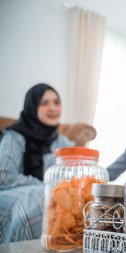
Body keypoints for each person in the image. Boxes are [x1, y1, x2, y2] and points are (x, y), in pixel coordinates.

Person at [0, 83, 74, 243]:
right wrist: (46, 187)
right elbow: (4, 176)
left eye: (56, 102)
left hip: (46, 194)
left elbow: (75, 174)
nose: (53, 108)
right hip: (11, 192)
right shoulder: (14, 136)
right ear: (32, 107)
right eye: (44, 103)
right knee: (40, 197)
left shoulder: (62, 141)